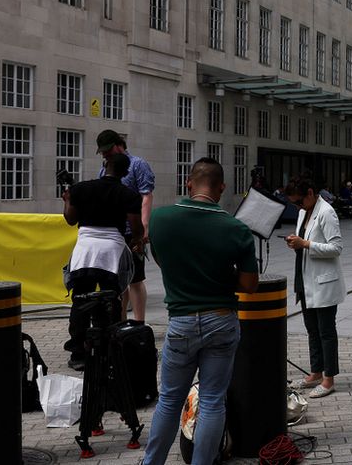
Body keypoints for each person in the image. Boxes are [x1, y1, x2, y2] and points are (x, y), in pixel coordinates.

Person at [142, 158, 259, 465]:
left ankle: (152, 462)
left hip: (180, 322)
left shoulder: (160, 219)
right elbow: (249, 285)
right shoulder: (237, 229)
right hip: (221, 320)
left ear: (188, 184)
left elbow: (165, 260)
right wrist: (221, 273)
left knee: (169, 399)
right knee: (211, 401)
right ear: (221, 188)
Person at [62, 153, 143, 371]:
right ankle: (109, 348)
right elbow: (136, 229)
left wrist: (68, 200)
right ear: (126, 173)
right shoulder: (128, 194)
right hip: (111, 252)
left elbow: (70, 219)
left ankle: (78, 354)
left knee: (80, 301)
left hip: (84, 249)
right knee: (111, 301)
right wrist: (138, 242)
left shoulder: (80, 189)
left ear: (104, 164)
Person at [285, 176, 346, 398]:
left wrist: (307, 244)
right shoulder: (304, 212)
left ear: (310, 193)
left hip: (323, 282)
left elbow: (336, 247)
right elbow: (305, 242)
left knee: (326, 332)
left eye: (299, 201)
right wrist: (296, 243)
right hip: (305, 280)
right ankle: (316, 372)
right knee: (312, 330)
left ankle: (329, 379)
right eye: (294, 204)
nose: (297, 206)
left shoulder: (327, 212)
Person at [96, 129, 155, 323]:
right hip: (113, 232)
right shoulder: (104, 169)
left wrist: (144, 226)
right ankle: (119, 323)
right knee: (117, 280)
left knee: (135, 279)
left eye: (107, 150)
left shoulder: (138, 164)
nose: (104, 154)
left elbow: (146, 196)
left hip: (133, 230)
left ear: (118, 145)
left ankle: (139, 323)